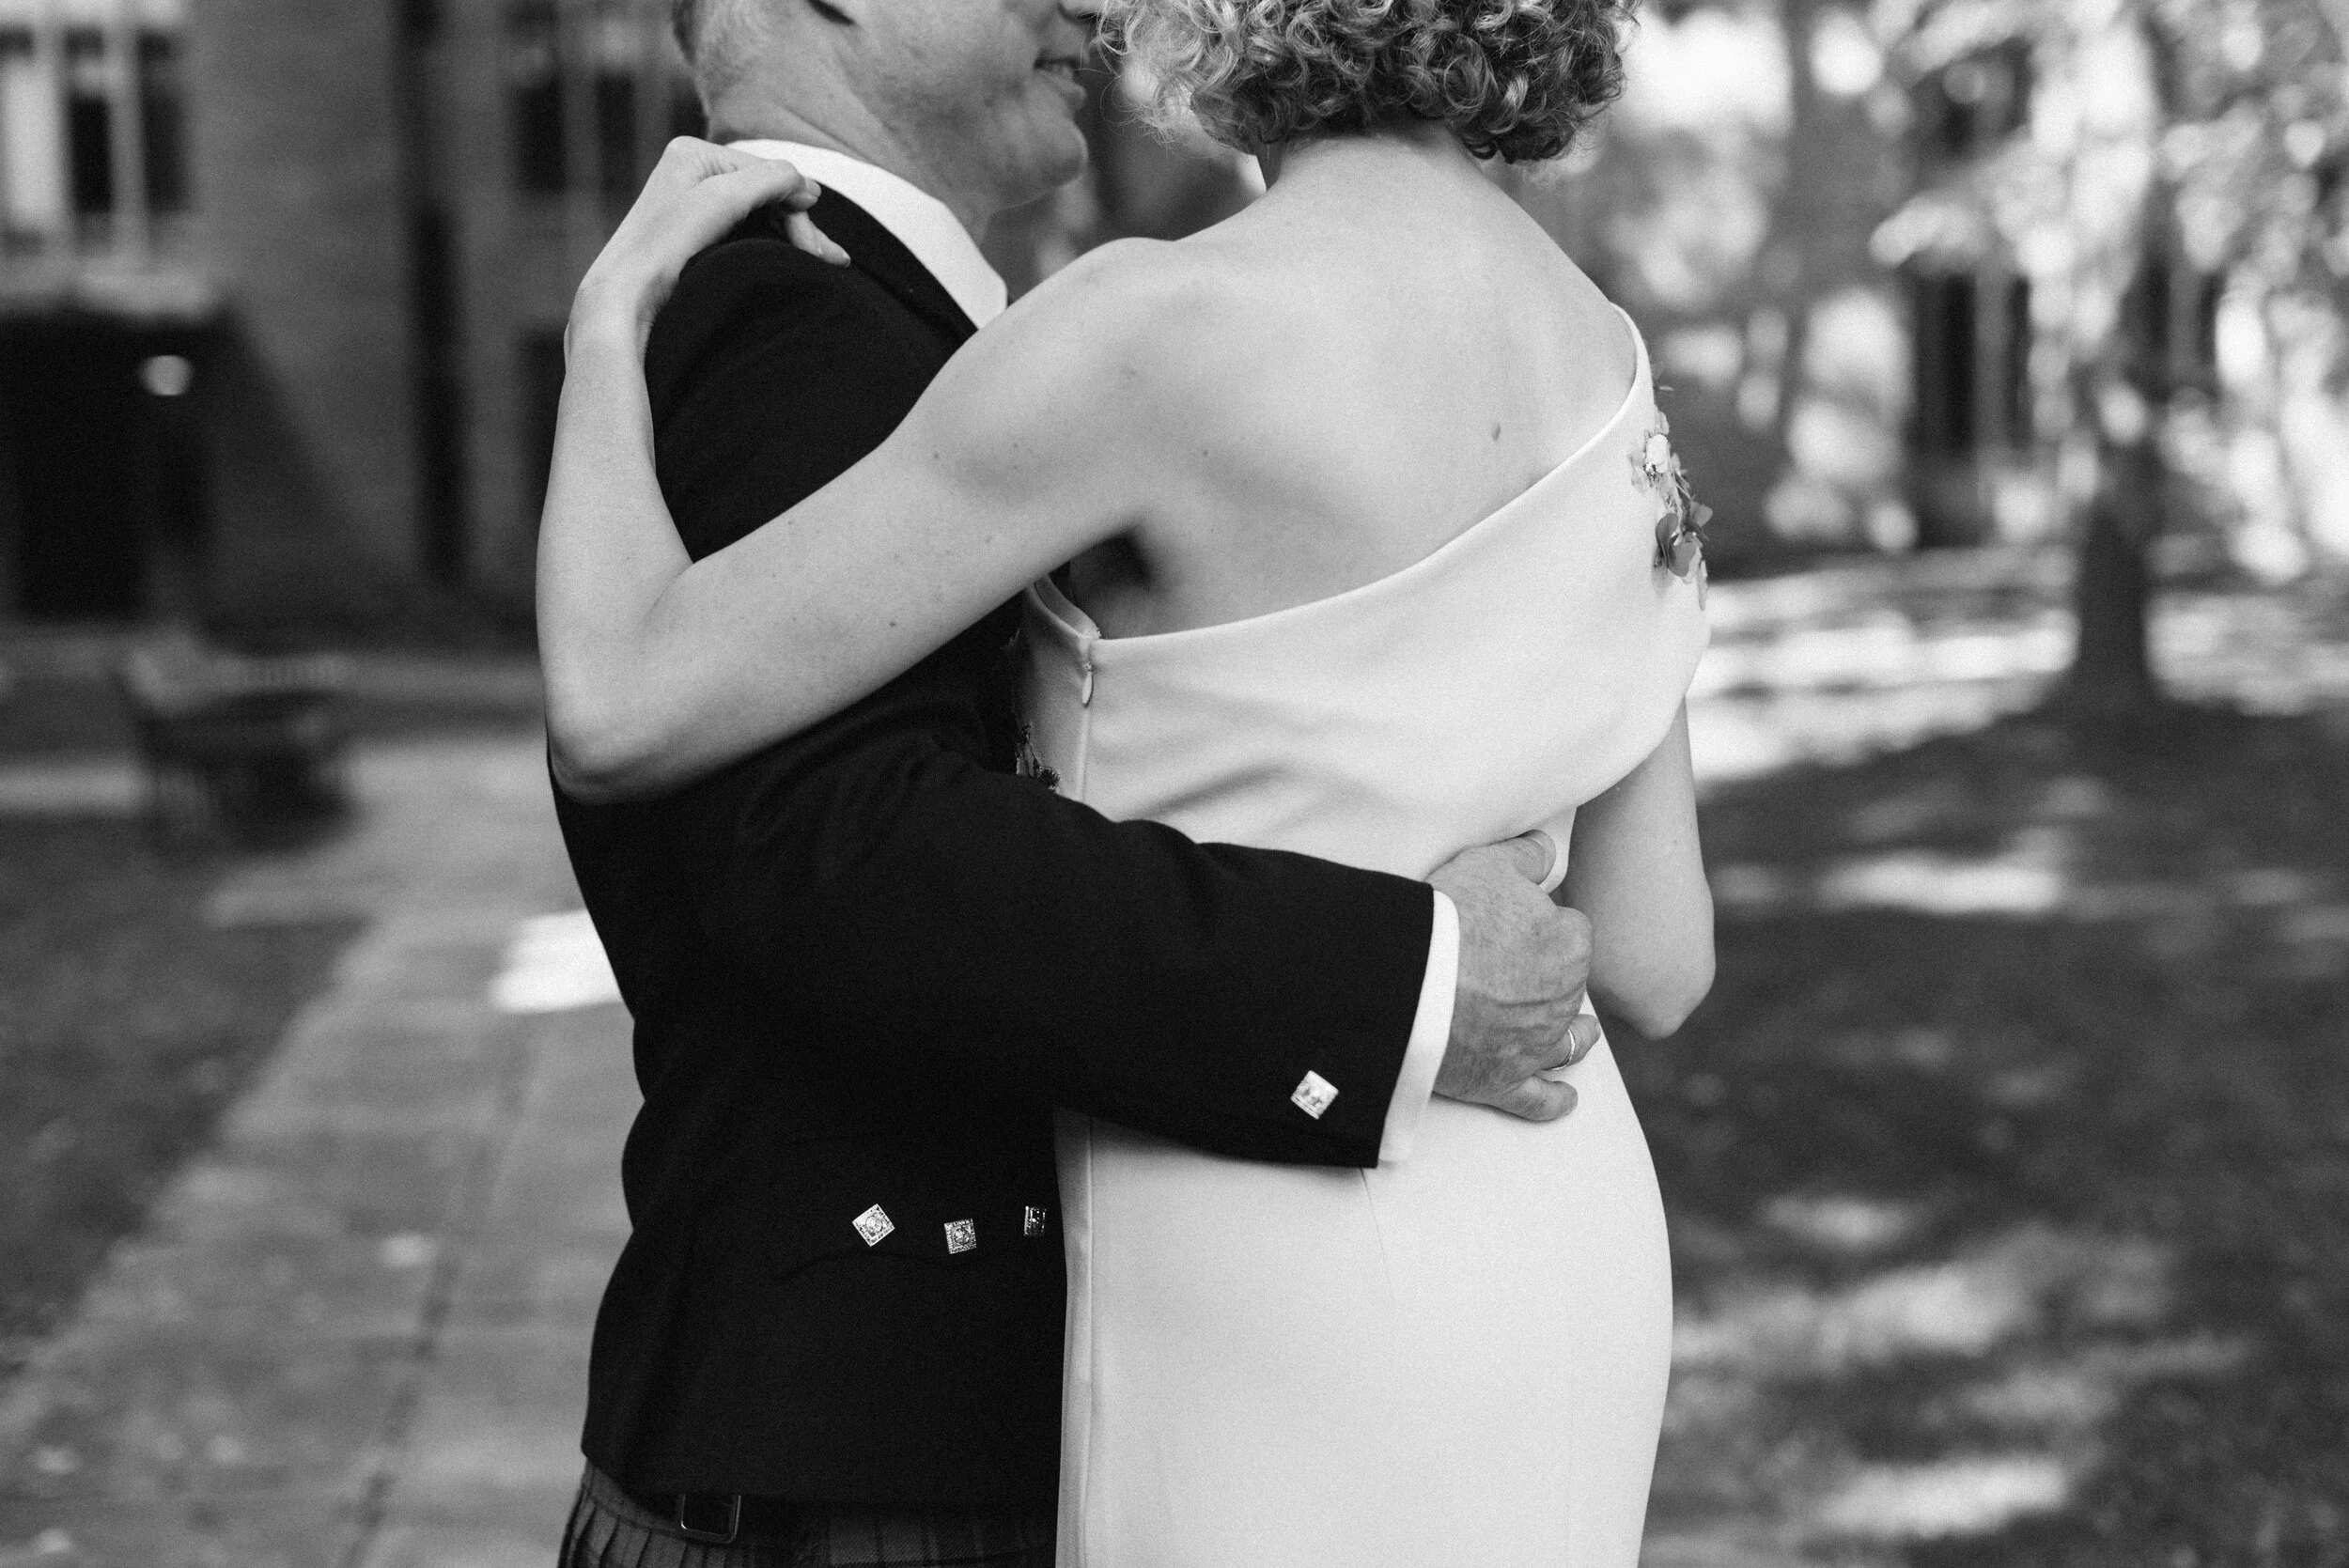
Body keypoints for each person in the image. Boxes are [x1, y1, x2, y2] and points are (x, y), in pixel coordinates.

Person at [540, 1, 1615, 1564]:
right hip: (861, 1474)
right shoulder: (790, 308)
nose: (1085, 9)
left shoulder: (910, 323)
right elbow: (844, 855)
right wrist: (1403, 979)